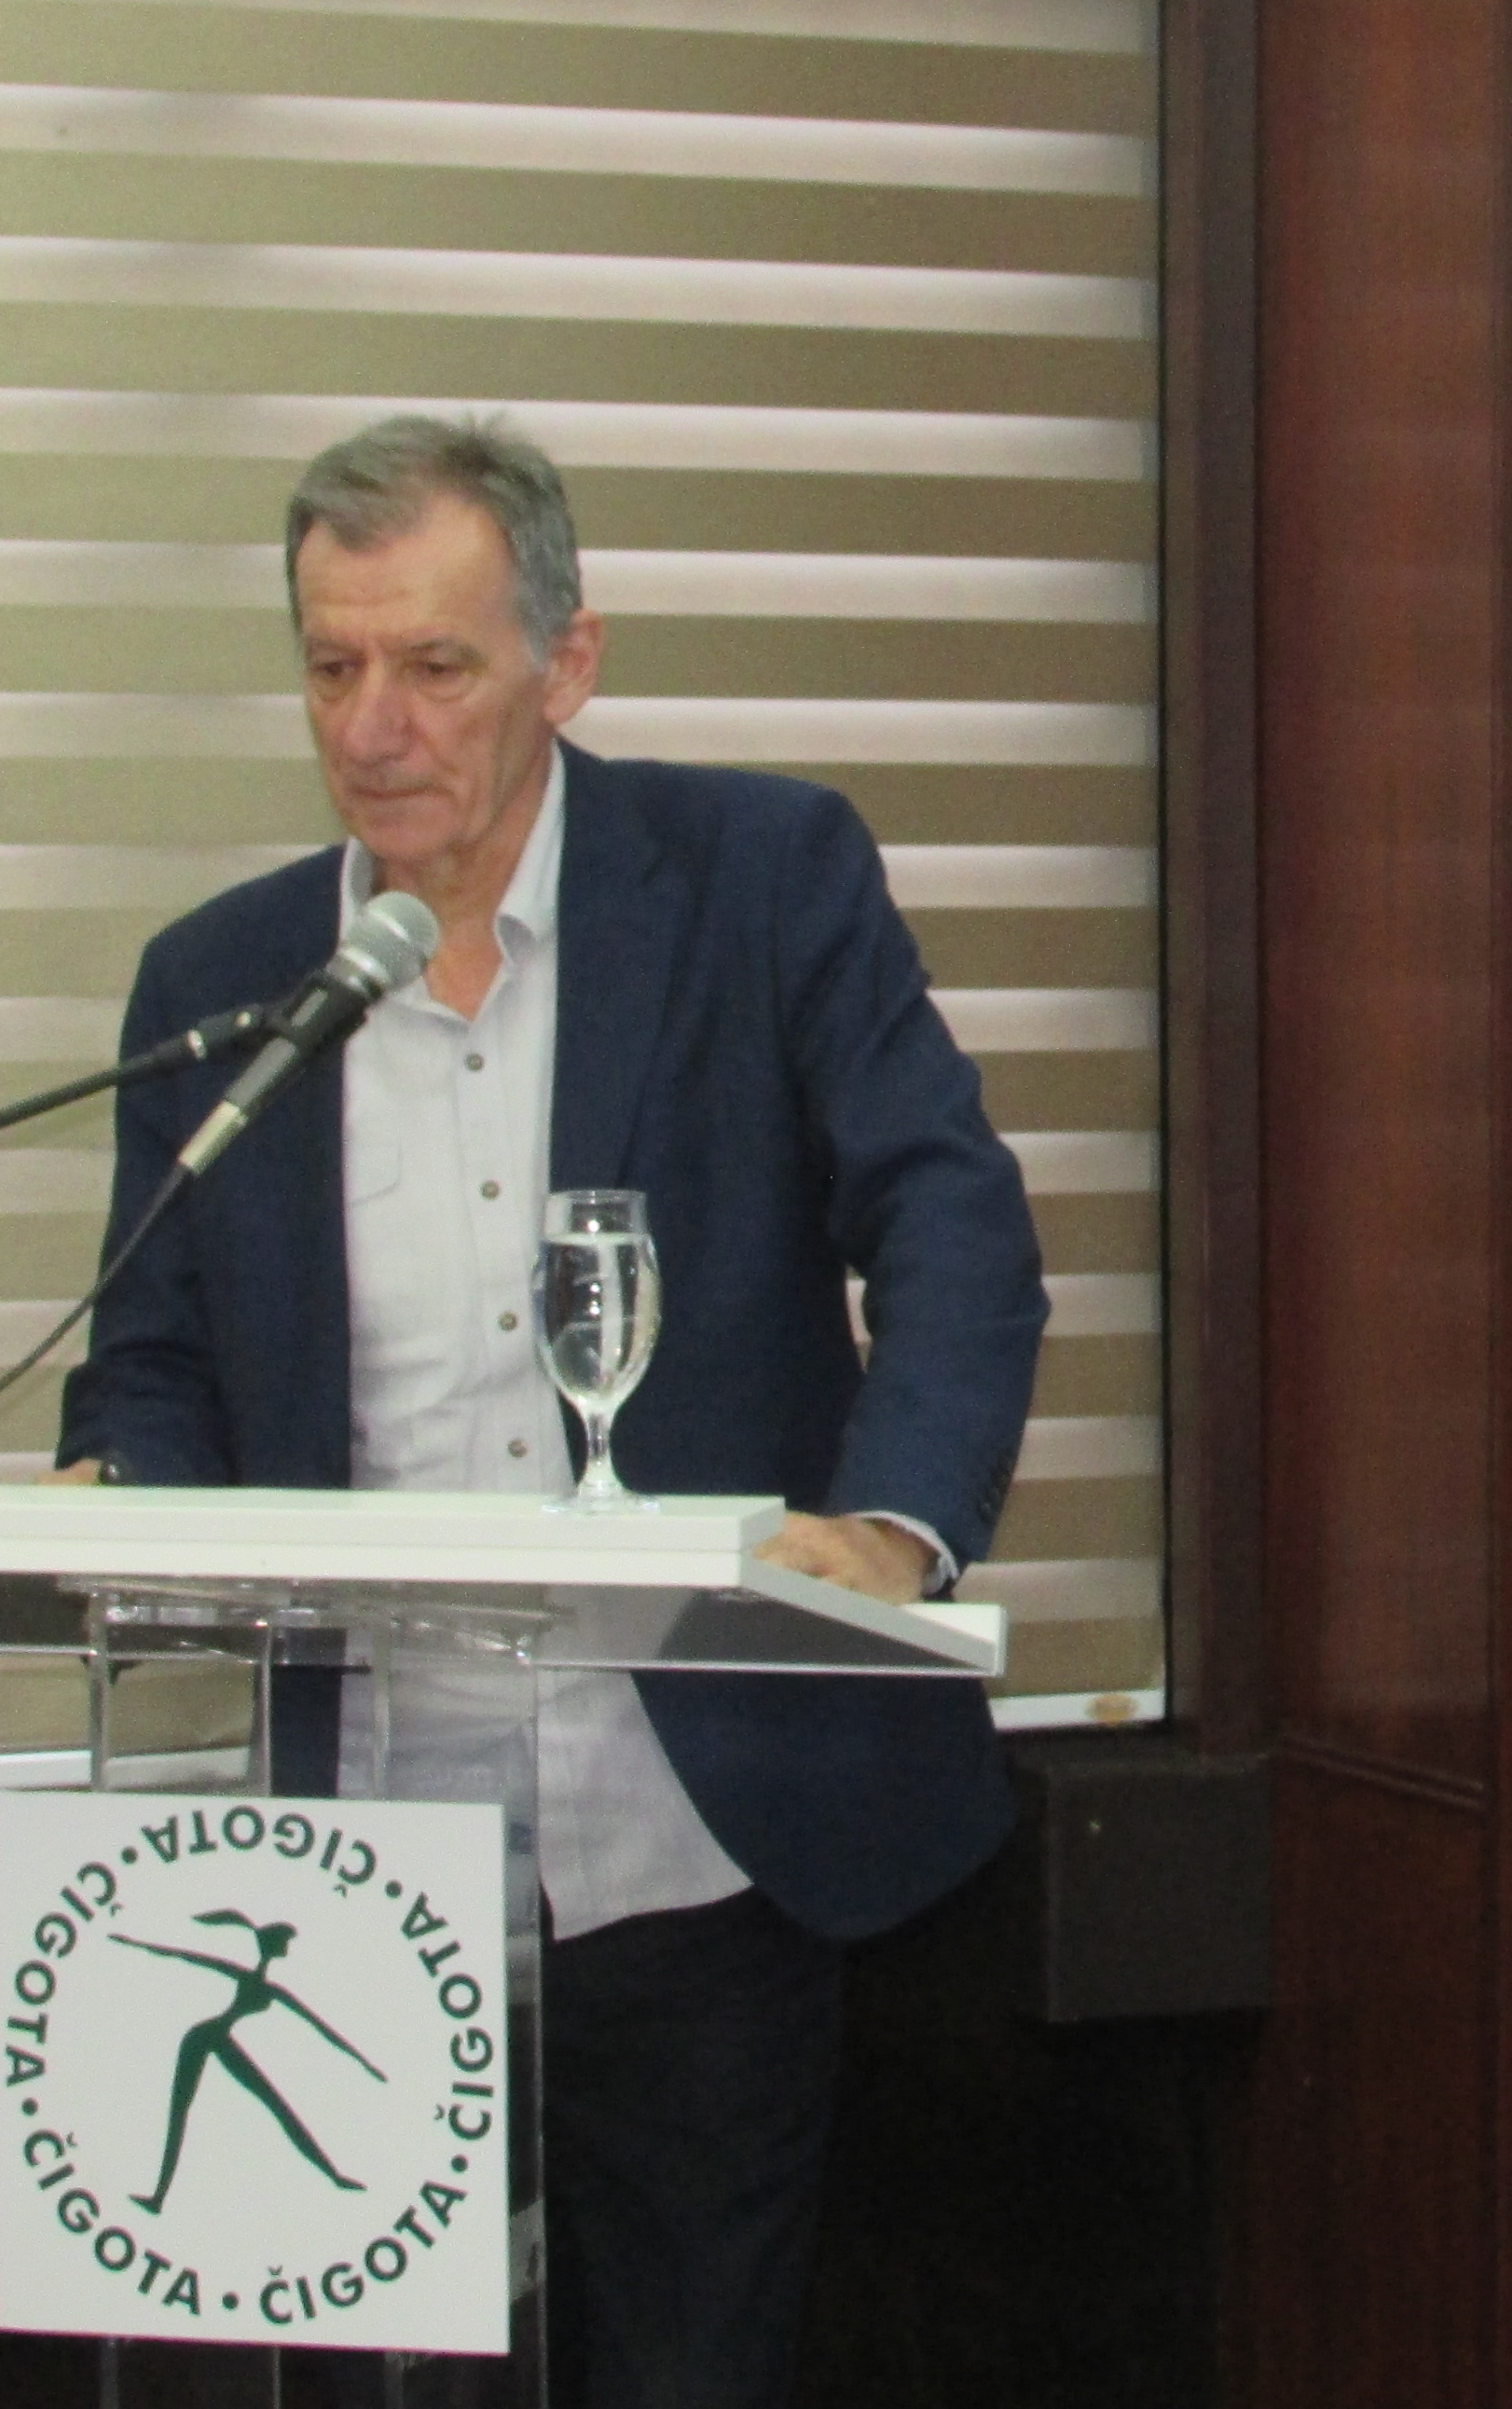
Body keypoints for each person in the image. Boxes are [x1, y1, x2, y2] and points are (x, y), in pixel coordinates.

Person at [53, 412, 1045, 2408]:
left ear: (566, 661)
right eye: (334, 667)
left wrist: (890, 1531)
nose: (375, 728)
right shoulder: (223, 981)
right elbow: (152, 1358)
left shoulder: (762, 880)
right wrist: (126, 1495)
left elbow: (953, 1225)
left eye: (436, 666)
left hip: (698, 1849)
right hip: (352, 1881)